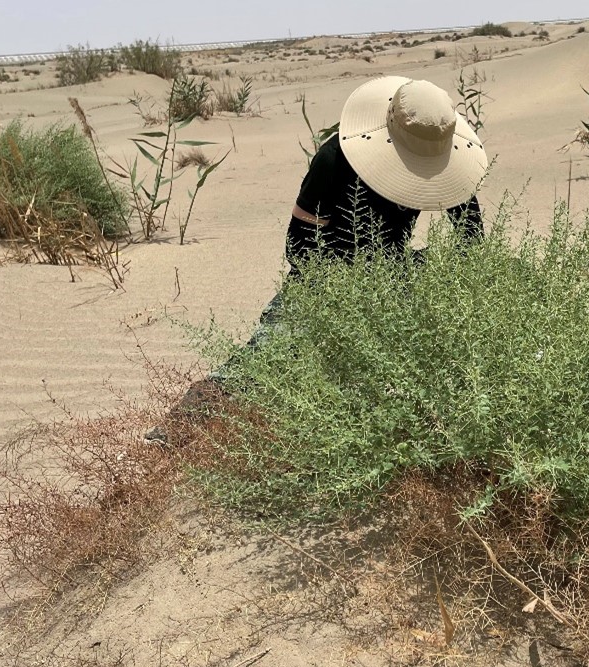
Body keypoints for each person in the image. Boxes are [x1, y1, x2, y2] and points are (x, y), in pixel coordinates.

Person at [145, 76, 489, 444]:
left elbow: (471, 242)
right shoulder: (335, 158)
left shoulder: (445, 162)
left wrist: (429, 284)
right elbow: (299, 246)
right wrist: (347, 293)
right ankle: (178, 428)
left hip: (393, 272)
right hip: (323, 279)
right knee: (266, 353)